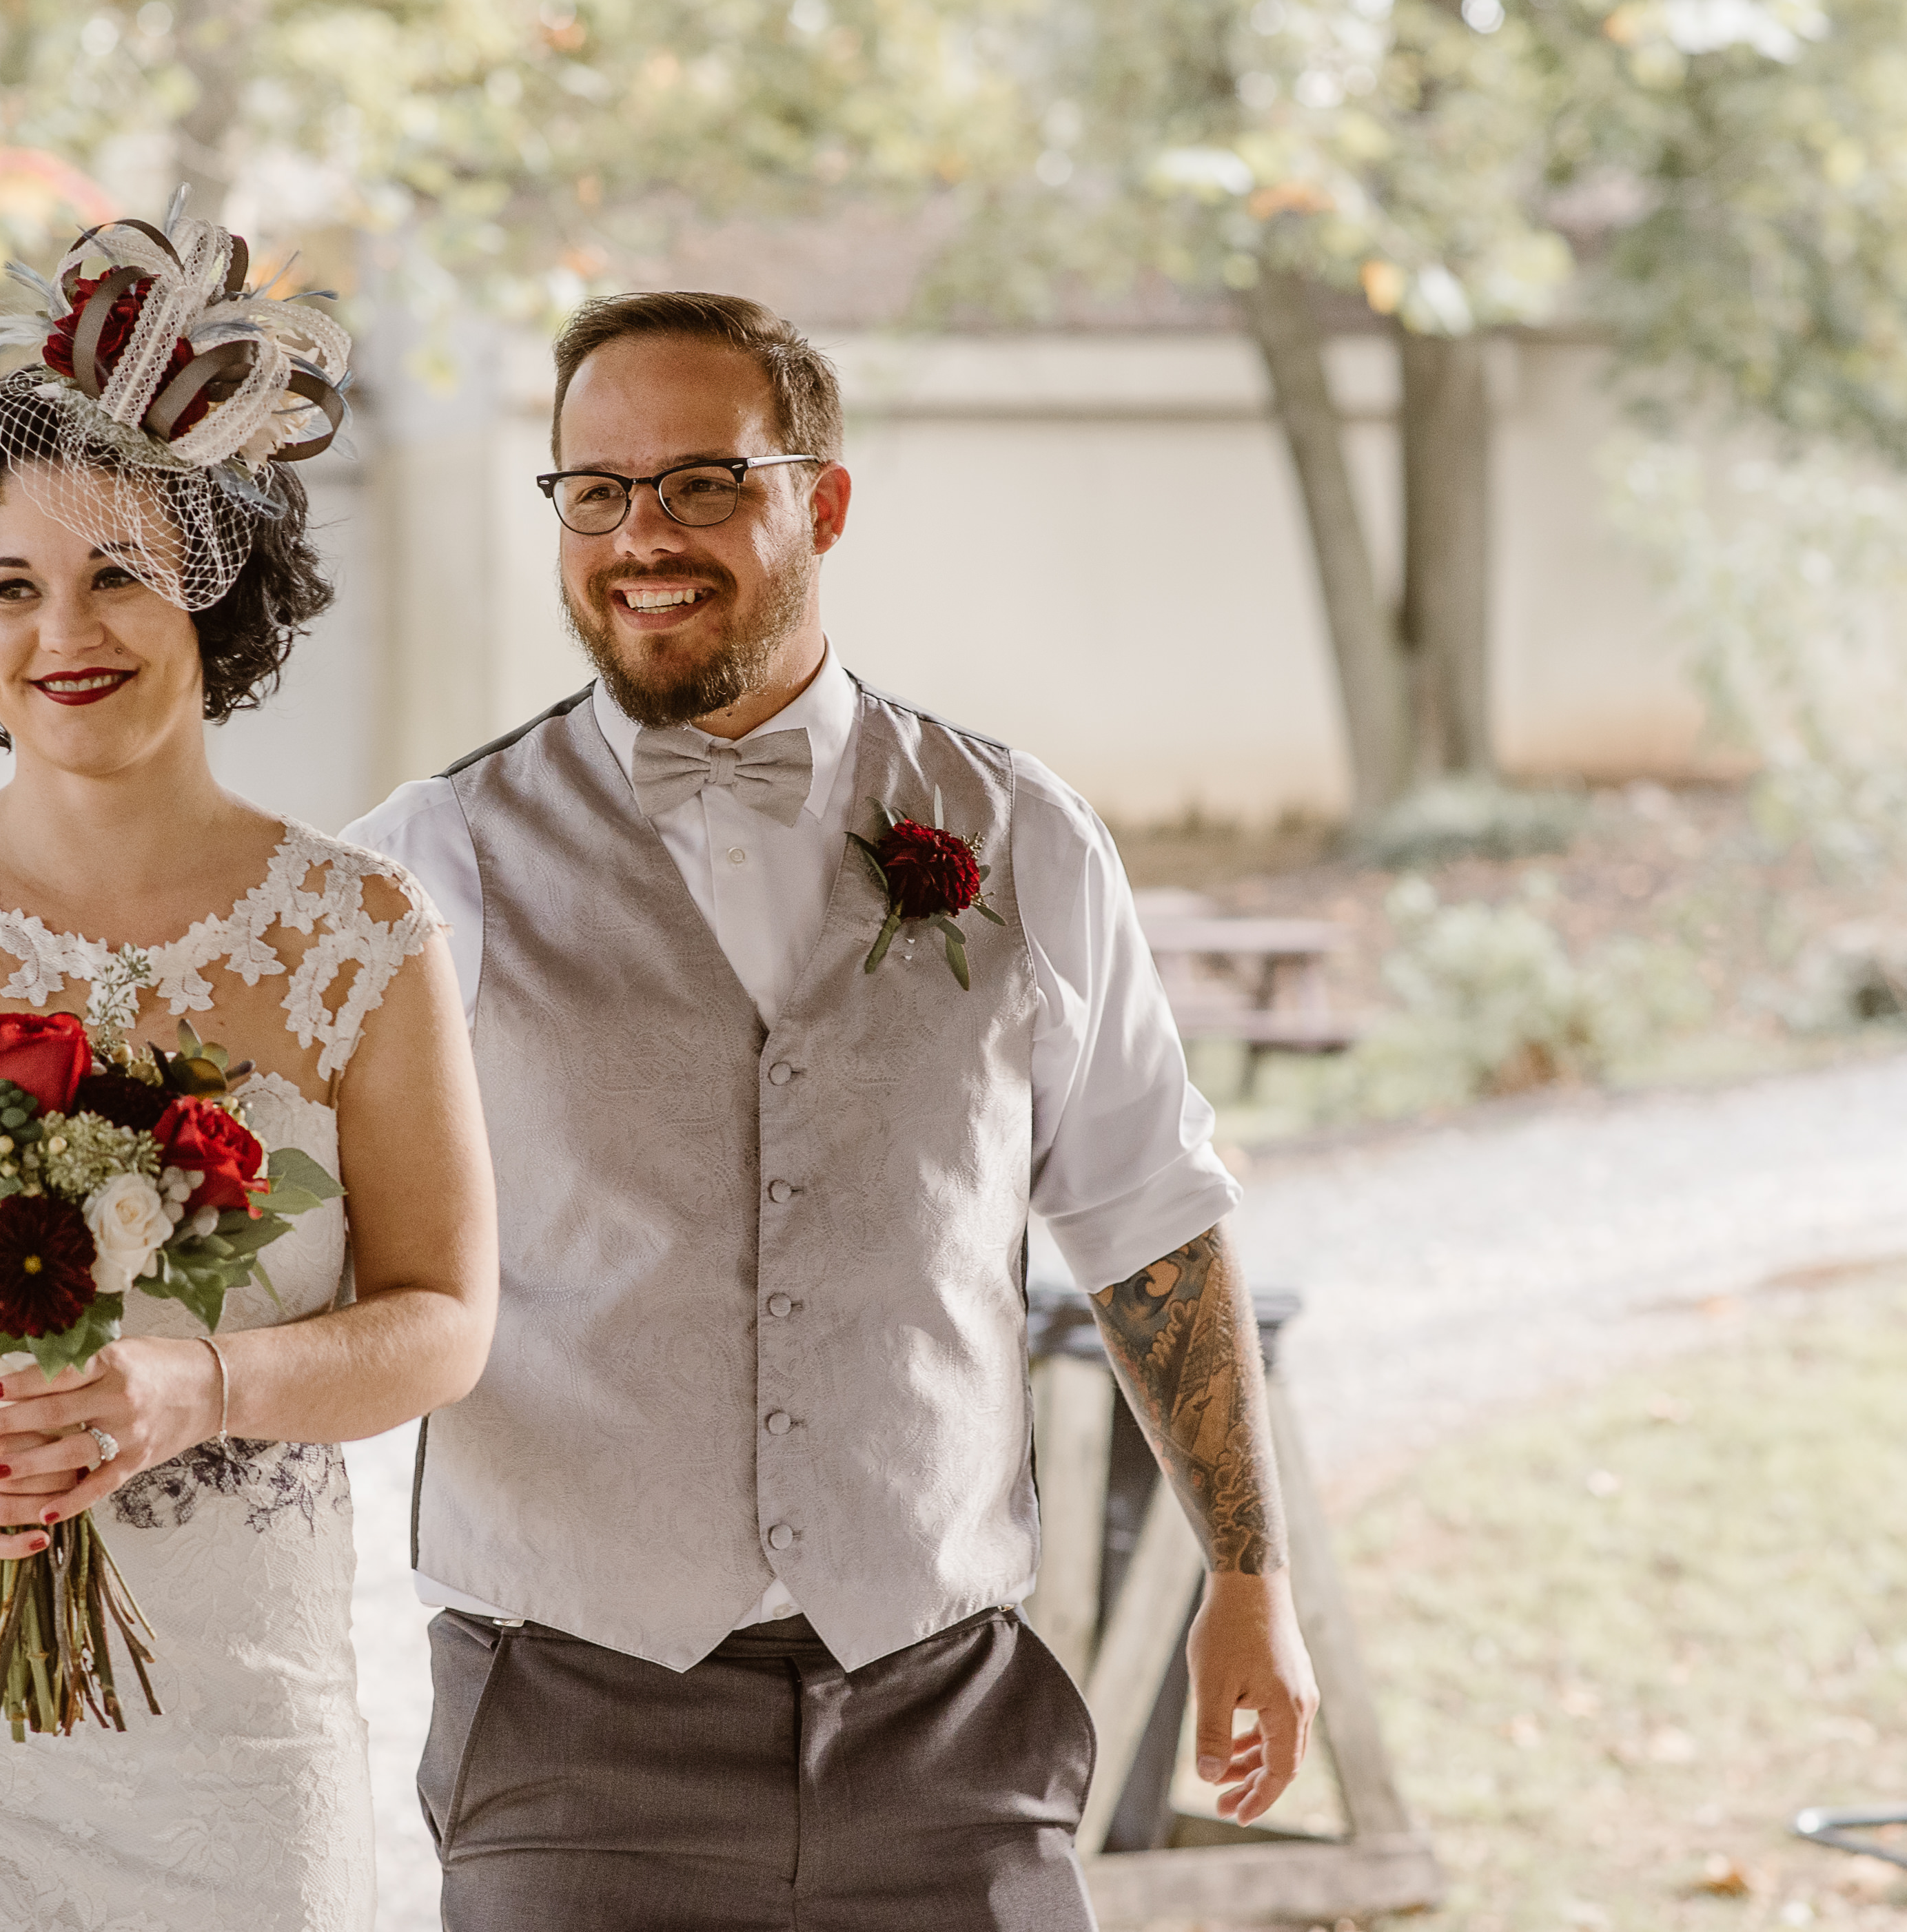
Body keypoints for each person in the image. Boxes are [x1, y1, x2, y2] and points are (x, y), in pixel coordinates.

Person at [343, 290, 1320, 1930]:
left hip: (947, 1722)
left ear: (826, 501)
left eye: (702, 482)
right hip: (572, 1730)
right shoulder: (427, 864)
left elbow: (1149, 1218)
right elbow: (300, 1236)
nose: (641, 536)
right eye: (597, 489)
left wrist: (1249, 1576)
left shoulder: (1025, 834)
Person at [0, 209, 498, 1931]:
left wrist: (199, 1387)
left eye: (120, 573)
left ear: (222, 591)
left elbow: (445, 1318)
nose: (62, 629)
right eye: (11, 585)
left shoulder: (364, 936)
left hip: (237, 1743)